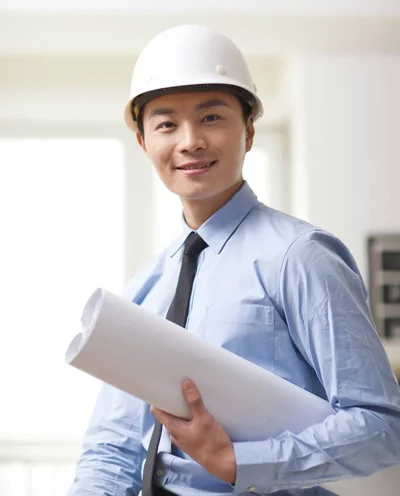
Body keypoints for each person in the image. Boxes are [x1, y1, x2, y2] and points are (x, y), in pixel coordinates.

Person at [68, 25, 400, 496]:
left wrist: (239, 461)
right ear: (143, 142)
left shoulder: (300, 257)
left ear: (248, 129)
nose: (190, 141)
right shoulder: (145, 287)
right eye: (166, 124)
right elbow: (113, 449)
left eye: (211, 118)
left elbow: (382, 426)